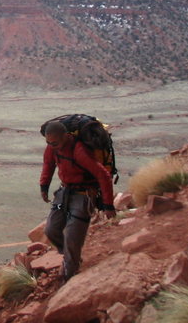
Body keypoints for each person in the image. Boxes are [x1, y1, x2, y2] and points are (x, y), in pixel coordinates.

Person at [40, 120, 116, 281]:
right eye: (48, 142)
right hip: (65, 191)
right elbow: (48, 164)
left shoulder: (79, 151)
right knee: (51, 230)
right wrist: (44, 186)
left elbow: (103, 176)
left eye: (54, 142)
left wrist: (108, 205)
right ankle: (69, 256)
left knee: (73, 236)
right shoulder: (52, 147)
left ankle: (69, 273)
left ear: (66, 136)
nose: (51, 146)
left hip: (83, 195)